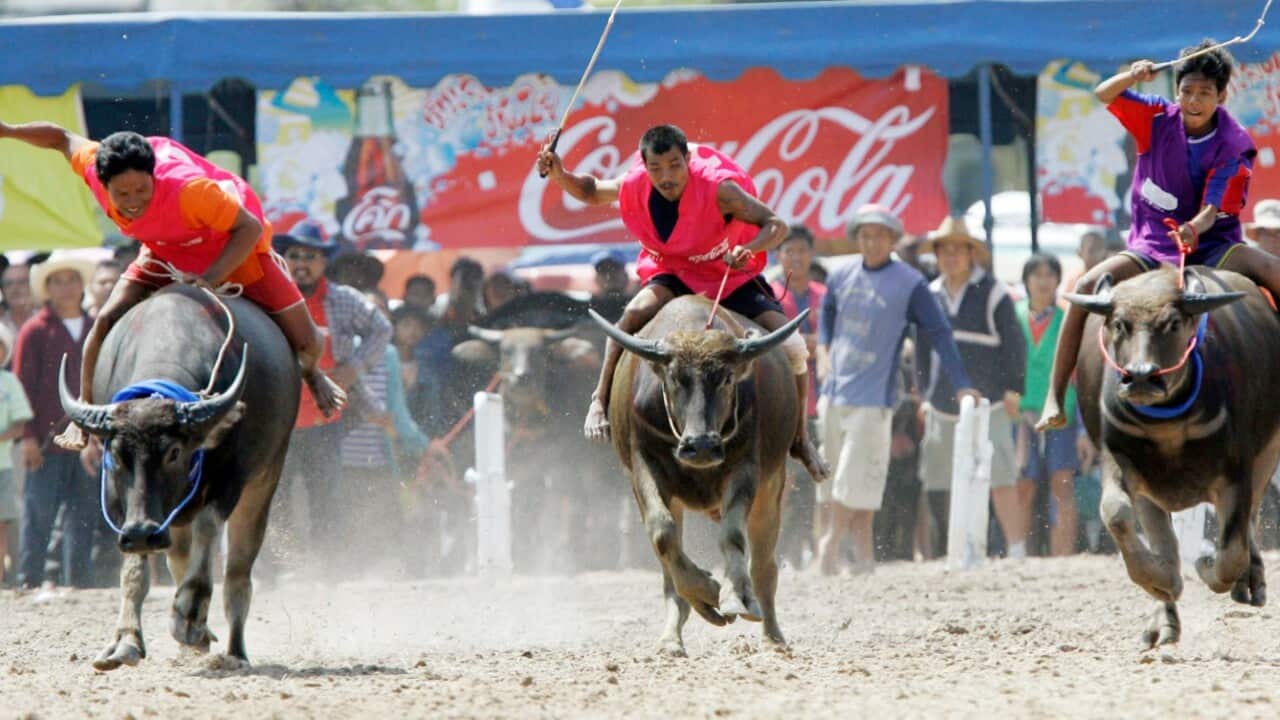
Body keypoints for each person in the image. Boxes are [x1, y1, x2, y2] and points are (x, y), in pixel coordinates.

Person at [0, 123, 346, 451]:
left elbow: (250, 228)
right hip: (163, 250)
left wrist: (209, 278)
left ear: (154, 177)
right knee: (104, 319)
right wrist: (9, 131)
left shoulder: (191, 191)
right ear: (103, 186)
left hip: (229, 249)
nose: (134, 200)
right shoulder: (94, 167)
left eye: (142, 190)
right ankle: (85, 417)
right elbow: (61, 137)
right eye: (122, 193)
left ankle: (313, 375)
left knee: (309, 341)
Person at [538, 124, 826, 480]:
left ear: (688, 160)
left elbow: (775, 226)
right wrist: (559, 173)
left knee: (795, 345)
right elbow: (592, 190)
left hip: (728, 273)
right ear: (644, 166)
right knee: (632, 314)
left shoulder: (721, 191)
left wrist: (748, 249)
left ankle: (800, 438)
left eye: (675, 165)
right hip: (673, 270)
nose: (666, 177)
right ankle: (599, 401)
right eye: (656, 168)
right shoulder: (634, 184)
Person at [1038, 42, 1280, 431]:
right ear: (1176, 90)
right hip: (1152, 241)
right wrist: (1132, 76)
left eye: (1204, 93)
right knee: (1085, 285)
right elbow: (1104, 93)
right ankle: (1055, 395)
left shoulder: (1234, 142)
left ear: (1221, 96)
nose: (1194, 101)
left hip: (1212, 242)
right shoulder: (1154, 117)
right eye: (1187, 91)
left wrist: (1194, 229)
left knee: (1272, 269)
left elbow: (1214, 206)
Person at [816, 207, 977, 575]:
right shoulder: (840, 274)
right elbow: (826, 318)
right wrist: (823, 354)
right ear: (856, 238)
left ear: (892, 240)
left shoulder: (911, 283)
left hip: (875, 397)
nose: (870, 242)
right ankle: (864, 555)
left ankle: (829, 544)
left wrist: (962, 382)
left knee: (856, 474)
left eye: (878, 235)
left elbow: (938, 334)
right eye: (864, 235)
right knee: (844, 476)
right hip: (834, 391)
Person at [274, 225, 392, 570]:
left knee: (326, 498)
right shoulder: (271, 296)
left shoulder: (342, 299)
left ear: (324, 262)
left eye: (310, 257)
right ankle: (271, 572)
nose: (301, 264)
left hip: (326, 419)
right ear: (284, 260)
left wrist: (353, 368)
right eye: (294, 256)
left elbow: (382, 329)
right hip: (276, 421)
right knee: (272, 498)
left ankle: (330, 573)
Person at [915, 217, 1027, 559]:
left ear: (970, 253)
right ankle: (950, 550)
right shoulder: (929, 294)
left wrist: (1013, 389)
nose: (950, 257)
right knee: (938, 481)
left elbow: (1015, 343)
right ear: (936, 255)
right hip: (939, 403)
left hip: (989, 401)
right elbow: (921, 349)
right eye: (943, 250)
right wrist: (922, 396)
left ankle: (1017, 550)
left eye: (957, 249)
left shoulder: (991, 291)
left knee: (1001, 478)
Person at [11, 252, 97, 590]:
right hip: (46, 441)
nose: (66, 287)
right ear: (47, 288)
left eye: (72, 279)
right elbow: (22, 386)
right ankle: (29, 581)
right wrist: (28, 438)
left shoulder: (95, 327)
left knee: (83, 514)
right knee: (39, 514)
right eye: (57, 281)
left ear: (81, 284)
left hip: (88, 440)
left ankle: (80, 583)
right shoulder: (34, 331)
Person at [1015, 254, 1080, 557]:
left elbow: (1080, 375)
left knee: (1062, 483)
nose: (1042, 281)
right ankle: (1021, 555)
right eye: (1036, 275)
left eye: (1049, 275)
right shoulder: (1013, 316)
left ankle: (1062, 556)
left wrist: (1083, 429)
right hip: (1021, 414)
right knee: (1023, 486)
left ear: (1057, 280)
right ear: (1026, 281)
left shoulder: (1068, 319)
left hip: (1061, 413)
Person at [771, 225, 825, 568]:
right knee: (783, 484)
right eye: (788, 251)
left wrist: (821, 346)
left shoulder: (826, 293)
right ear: (779, 256)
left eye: (801, 251)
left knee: (818, 483)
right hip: (784, 403)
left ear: (811, 254)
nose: (795, 257)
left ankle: (814, 550)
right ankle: (775, 552)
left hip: (822, 402)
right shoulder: (770, 293)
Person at [0, 323, 33, 587]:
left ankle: (2, 577)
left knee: (1, 522)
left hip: (2, 465)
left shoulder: (9, 382)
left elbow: (20, 423)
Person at [588, 248, 633, 324]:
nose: (609, 275)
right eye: (603, 270)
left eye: (615, 269)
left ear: (626, 275)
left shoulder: (638, 306)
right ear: (596, 279)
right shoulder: (586, 308)